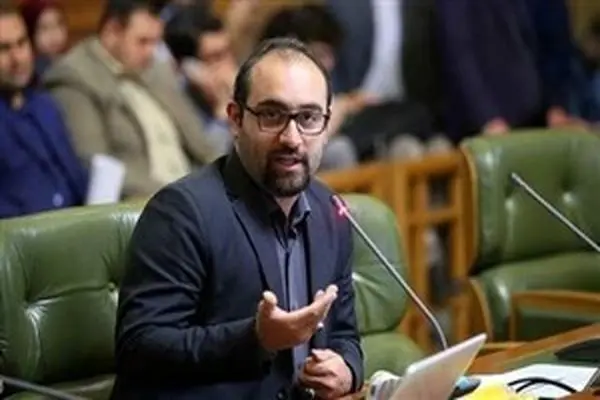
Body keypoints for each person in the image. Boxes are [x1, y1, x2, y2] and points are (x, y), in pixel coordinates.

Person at [111, 38, 363, 399]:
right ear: (235, 118)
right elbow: (139, 348)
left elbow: (344, 335)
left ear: (326, 123)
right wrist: (255, 338)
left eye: (308, 118)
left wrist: (347, 370)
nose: (292, 138)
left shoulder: (329, 210)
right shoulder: (181, 212)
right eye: (272, 115)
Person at [44, 0, 218, 199]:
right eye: (143, 41)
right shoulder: (74, 77)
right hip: (147, 201)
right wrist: (178, 198)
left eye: (155, 42)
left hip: (196, 189)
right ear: (112, 32)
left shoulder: (156, 68)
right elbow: (94, 164)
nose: (151, 52)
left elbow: (202, 145)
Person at [0, 1, 87, 219]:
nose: (18, 58)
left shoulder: (46, 105)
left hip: (78, 224)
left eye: (22, 43)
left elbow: (76, 180)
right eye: (4, 49)